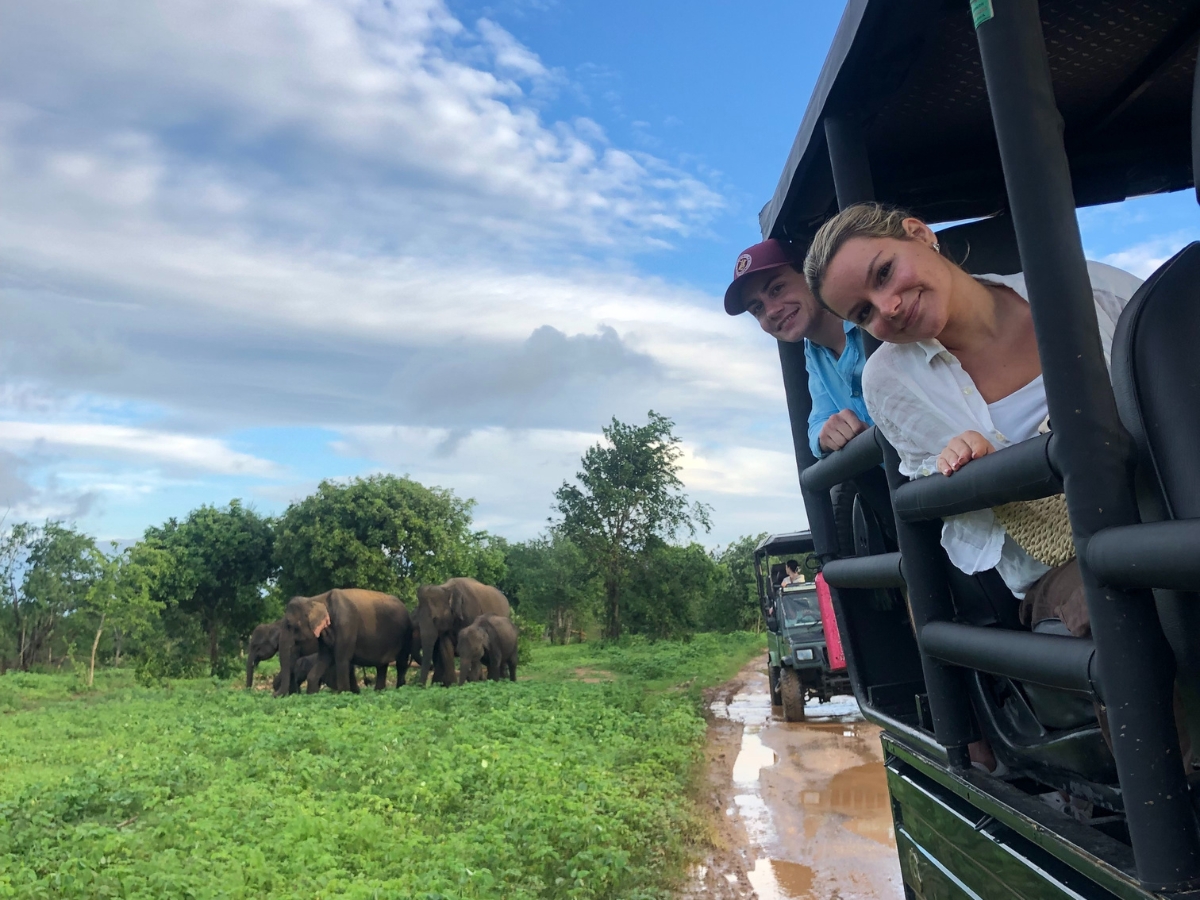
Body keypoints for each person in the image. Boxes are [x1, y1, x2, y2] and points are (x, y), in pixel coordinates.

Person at [803, 202, 1143, 635]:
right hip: (1065, 564)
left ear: (920, 233)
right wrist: (967, 467)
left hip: (1172, 509)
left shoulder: (1093, 289)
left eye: (884, 272)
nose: (886, 307)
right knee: (1122, 607)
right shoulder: (889, 382)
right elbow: (947, 505)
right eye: (863, 313)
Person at [724, 239, 873, 457]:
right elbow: (818, 422)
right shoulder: (813, 352)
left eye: (777, 289)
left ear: (809, 273)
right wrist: (826, 433)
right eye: (757, 308)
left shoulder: (871, 318)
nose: (772, 311)